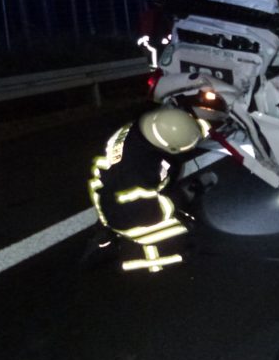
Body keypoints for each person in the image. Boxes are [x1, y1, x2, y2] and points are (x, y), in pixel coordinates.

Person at [86, 107, 212, 273]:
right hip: (125, 210)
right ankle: (121, 258)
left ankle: (106, 231)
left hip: (109, 187)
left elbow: (181, 129)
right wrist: (183, 195)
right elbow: (147, 211)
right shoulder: (138, 170)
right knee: (183, 232)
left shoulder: (147, 127)